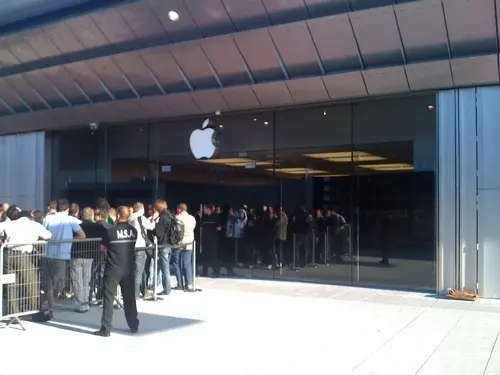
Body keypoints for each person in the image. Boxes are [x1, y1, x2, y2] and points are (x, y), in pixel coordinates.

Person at [94, 206, 139, 337]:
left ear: (118, 215)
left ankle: (106, 328)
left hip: (113, 269)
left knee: (108, 298)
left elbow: (103, 248)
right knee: (129, 299)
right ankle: (134, 325)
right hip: (129, 268)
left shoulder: (110, 232)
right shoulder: (134, 231)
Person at [129, 202, 155, 299]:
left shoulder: (130, 218)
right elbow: (151, 227)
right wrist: (153, 219)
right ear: (141, 208)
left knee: (136, 270)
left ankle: (143, 291)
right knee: (139, 271)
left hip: (131, 247)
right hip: (140, 246)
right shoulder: (141, 218)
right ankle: (136, 294)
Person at [172, 203, 196, 291]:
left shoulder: (176, 218)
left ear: (179, 209)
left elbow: (174, 230)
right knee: (187, 264)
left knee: (177, 263)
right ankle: (188, 283)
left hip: (179, 243)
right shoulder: (192, 218)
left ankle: (180, 284)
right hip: (189, 243)